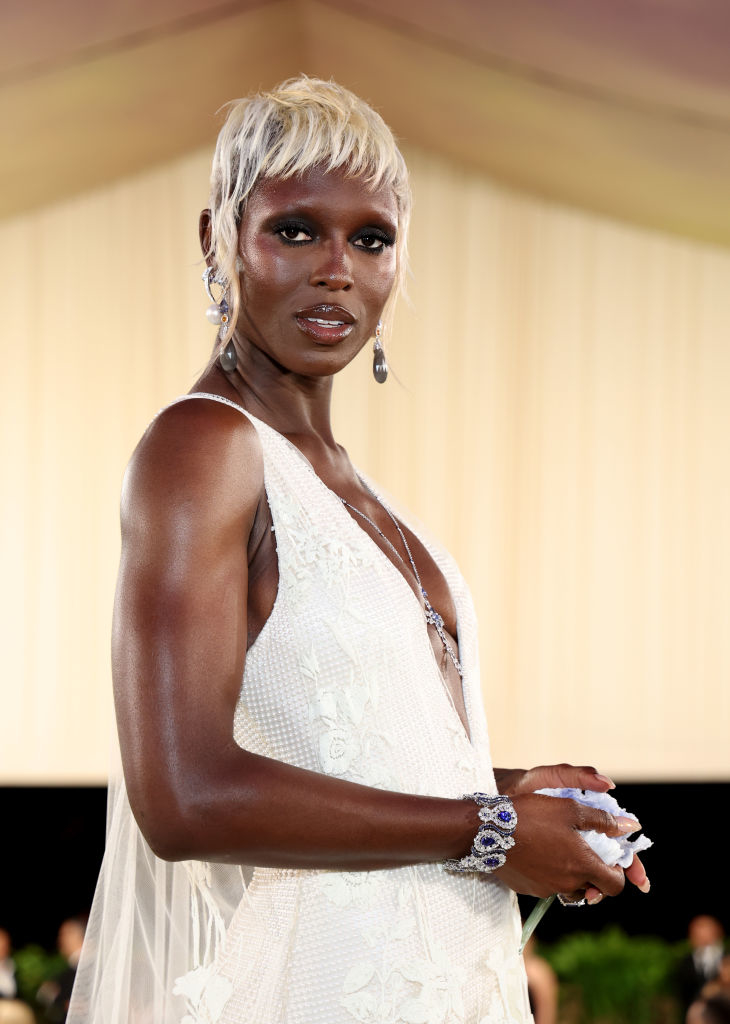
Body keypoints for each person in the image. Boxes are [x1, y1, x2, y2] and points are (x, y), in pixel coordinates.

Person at [67, 76, 649, 1024]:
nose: (337, 269)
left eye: (371, 239)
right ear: (218, 240)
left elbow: (341, 751)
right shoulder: (201, 447)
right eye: (296, 230)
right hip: (324, 990)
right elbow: (183, 796)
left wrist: (516, 798)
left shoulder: (346, 481)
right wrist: (493, 830)